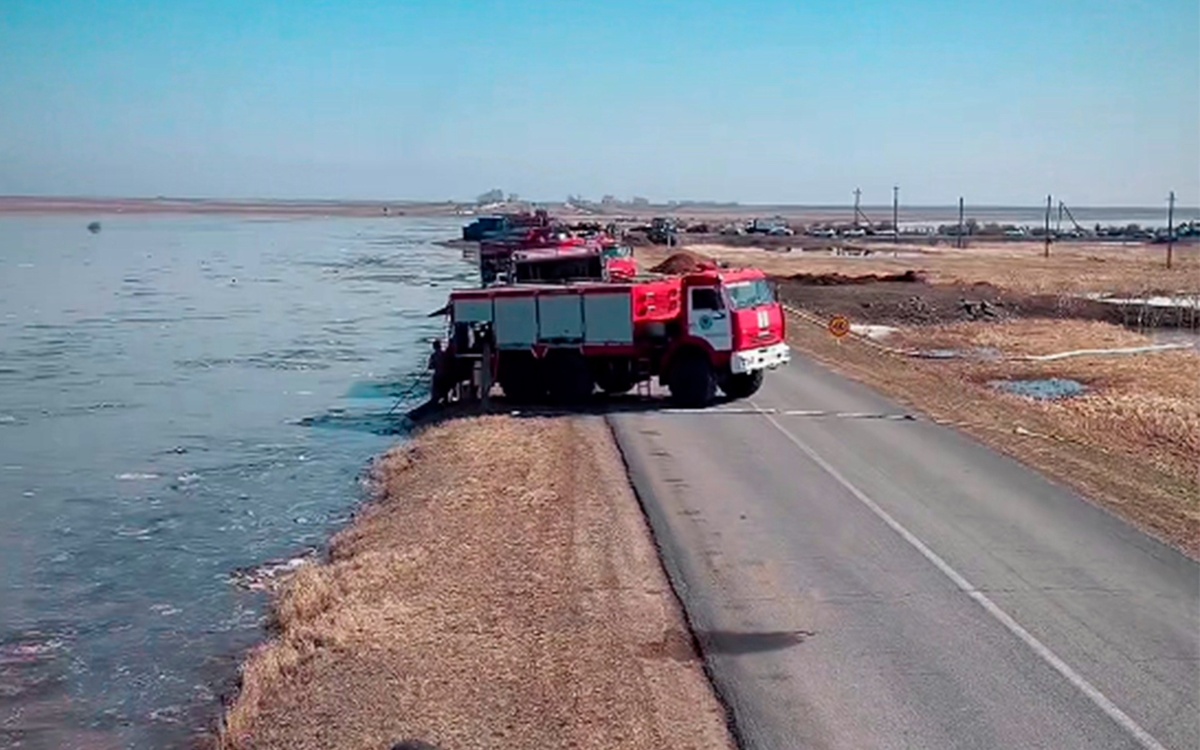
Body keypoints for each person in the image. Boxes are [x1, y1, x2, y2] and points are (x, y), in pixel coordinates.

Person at [426, 339, 453, 406]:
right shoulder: (444, 354)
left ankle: (435, 401)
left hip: (438, 374)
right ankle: (445, 401)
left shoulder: (433, 356)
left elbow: (430, 366)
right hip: (445, 374)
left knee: (436, 388)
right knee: (445, 389)